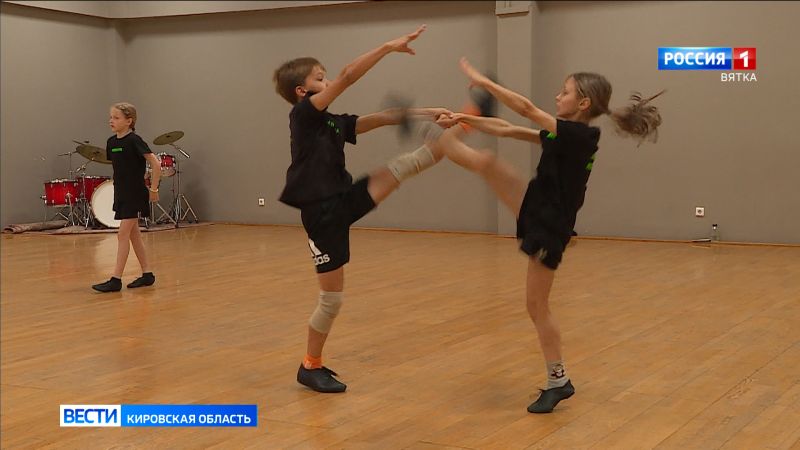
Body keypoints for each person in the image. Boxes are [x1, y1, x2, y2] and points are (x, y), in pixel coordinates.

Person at [431, 57, 664, 413]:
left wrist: (485, 82)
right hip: (537, 208)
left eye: (564, 92)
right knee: (488, 162)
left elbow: (525, 109)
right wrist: (466, 118)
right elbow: (510, 129)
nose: (557, 96)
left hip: (549, 225)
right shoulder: (564, 133)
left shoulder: (580, 136)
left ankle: (559, 381)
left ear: (583, 103)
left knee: (537, 306)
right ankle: (440, 140)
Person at [273, 25, 452, 393]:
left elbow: (384, 116)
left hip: (342, 199)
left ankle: (453, 138)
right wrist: (387, 46)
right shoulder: (303, 115)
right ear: (302, 91)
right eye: (320, 78)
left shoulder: (333, 122)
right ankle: (310, 366)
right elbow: (349, 76)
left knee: (402, 168)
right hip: (321, 214)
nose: (329, 81)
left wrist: (430, 113)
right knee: (332, 300)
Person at [92, 103, 161, 293]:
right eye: (110, 117)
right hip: (121, 192)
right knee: (133, 234)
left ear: (129, 121)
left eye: (116, 118)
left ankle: (116, 279)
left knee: (122, 234)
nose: (111, 121)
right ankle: (147, 274)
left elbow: (156, 164)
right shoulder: (111, 143)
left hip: (135, 193)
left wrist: (154, 189)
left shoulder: (134, 140)